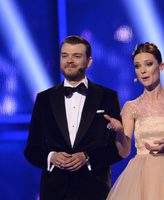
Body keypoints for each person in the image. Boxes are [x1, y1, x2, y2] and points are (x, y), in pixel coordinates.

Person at [24, 35, 122, 200]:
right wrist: (51, 157)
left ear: (89, 61)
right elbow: (32, 149)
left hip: (94, 190)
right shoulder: (44, 99)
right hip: (54, 191)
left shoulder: (107, 97)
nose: (69, 60)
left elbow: (117, 149)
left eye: (76, 55)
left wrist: (87, 157)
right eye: (65, 55)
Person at [104, 42, 164, 200]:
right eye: (137, 66)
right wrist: (120, 132)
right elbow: (124, 151)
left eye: (148, 64)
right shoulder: (131, 107)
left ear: (161, 66)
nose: (142, 71)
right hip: (141, 176)